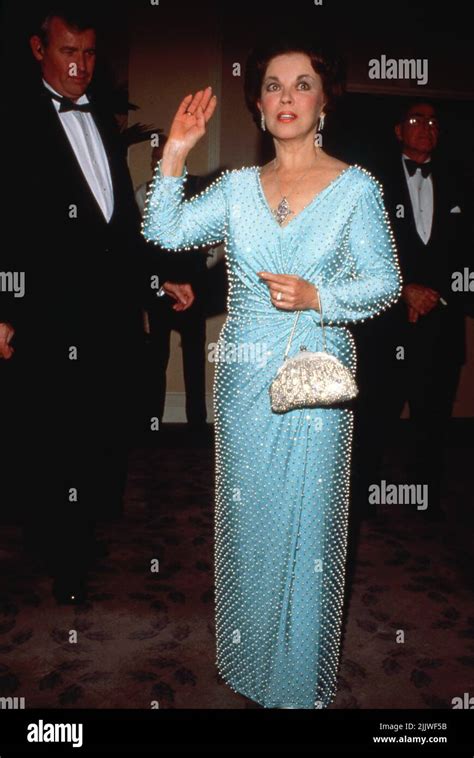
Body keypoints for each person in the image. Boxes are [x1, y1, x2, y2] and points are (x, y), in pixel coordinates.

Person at [143, 36, 401, 709]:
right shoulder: (233, 188)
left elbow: (385, 283)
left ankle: (294, 678)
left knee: (308, 526)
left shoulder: (355, 189)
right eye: (274, 86)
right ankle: (251, 656)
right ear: (258, 105)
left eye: (303, 83)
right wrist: (176, 149)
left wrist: (320, 297)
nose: (287, 96)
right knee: (249, 520)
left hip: (316, 371)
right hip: (245, 375)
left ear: (324, 102)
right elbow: (167, 231)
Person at [0, 6, 194, 604]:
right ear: (39, 49)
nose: (80, 64)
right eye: (67, 51)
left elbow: (120, 221)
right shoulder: (14, 121)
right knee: (56, 435)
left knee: (103, 428)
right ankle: (66, 560)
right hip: (48, 315)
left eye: (87, 52)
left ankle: (76, 531)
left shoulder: (103, 122)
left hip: (109, 316)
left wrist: (159, 274)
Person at [353, 100, 471, 521]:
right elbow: (357, 250)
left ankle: (426, 506)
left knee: (433, 423)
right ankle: (360, 504)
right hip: (387, 326)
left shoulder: (460, 183)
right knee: (372, 420)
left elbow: (466, 255)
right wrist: (403, 290)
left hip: (440, 325)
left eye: (435, 121)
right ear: (398, 130)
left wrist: (438, 295)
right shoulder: (370, 183)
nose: (427, 127)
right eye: (417, 120)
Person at [136, 138, 210, 432]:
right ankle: (150, 424)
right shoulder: (143, 193)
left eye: (163, 157)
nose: (158, 164)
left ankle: (196, 425)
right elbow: (139, 243)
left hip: (193, 282)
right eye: (155, 159)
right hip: (158, 284)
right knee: (157, 356)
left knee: (194, 355)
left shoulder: (200, 189)